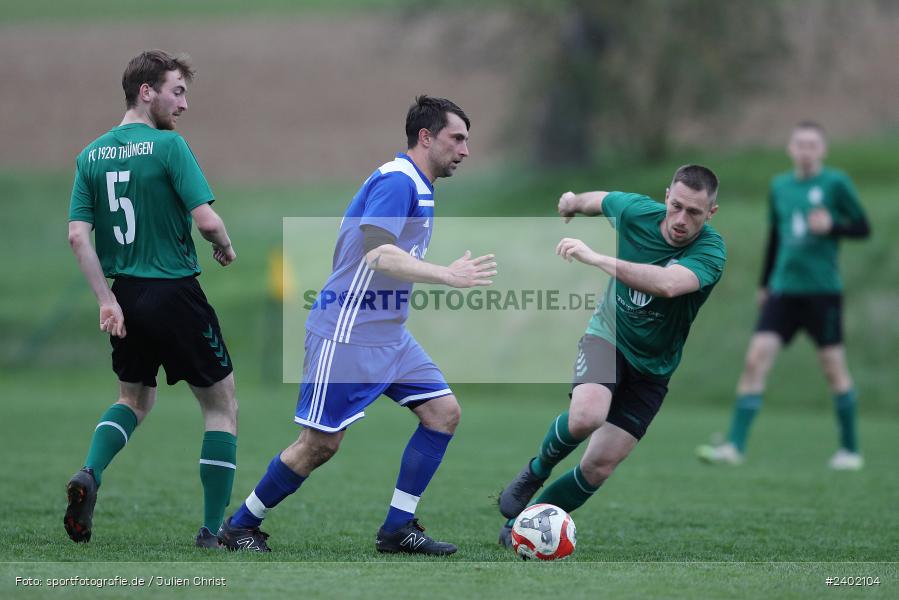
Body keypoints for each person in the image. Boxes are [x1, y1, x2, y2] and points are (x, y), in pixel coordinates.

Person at [218, 96, 496, 555]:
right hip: (346, 332)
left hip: (389, 335)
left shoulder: (420, 186)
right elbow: (378, 252)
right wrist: (447, 275)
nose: (465, 150)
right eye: (457, 138)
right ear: (426, 137)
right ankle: (240, 525)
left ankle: (397, 529)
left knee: (443, 413)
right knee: (318, 446)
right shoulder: (397, 180)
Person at [496, 165, 726, 546]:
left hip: (654, 368)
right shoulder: (636, 210)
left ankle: (522, 525)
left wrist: (597, 259)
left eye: (694, 213)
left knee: (598, 467)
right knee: (587, 416)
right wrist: (571, 202)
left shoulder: (711, 250)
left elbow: (669, 284)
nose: (681, 219)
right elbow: (596, 200)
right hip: (608, 337)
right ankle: (535, 471)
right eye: (677, 206)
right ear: (666, 195)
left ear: (711, 213)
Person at [65, 50, 239, 549]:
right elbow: (207, 220)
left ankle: (90, 472)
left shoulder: (90, 155)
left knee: (134, 399)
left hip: (126, 295)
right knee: (221, 407)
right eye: (177, 91)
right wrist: (224, 246)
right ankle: (211, 531)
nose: (183, 105)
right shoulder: (169, 147)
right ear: (147, 91)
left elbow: (79, 236)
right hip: (176, 292)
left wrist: (106, 301)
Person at [697, 122, 870, 470]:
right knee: (755, 360)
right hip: (783, 291)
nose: (805, 151)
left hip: (823, 293)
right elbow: (775, 237)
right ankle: (734, 447)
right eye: (799, 144)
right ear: (790, 149)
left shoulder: (836, 184)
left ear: (823, 150)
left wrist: (833, 227)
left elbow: (863, 227)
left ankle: (850, 451)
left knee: (834, 369)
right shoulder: (780, 186)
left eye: (812, 145)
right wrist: (764, 284)